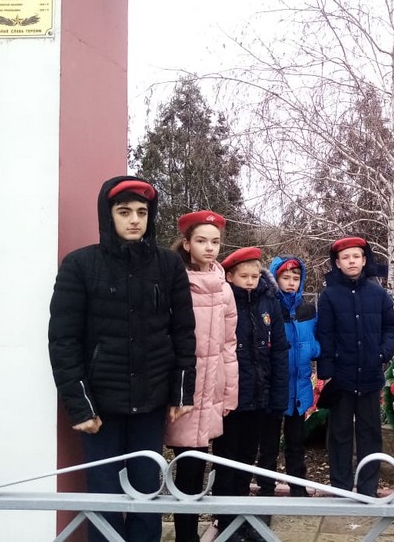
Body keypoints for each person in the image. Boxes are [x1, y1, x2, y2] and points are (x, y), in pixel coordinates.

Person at [48, 176, 196, 542]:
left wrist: (181, 392)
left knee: (146, 493)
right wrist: (80, 406)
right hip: (101, 408)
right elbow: (63, 340)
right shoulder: (80, 265)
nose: (134, 220)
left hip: (150, 402)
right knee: (104, 497)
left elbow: (183, 332)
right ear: (108, 214)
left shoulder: (168, 265)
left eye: (142, 212)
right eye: (124, 211)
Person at [164, 210, 238, 542]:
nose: (209, 248)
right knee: (180, 466)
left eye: (215, 242)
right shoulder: (174, 282)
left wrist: (229, 392)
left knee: (196, 466)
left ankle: (189, 535)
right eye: (201, 241)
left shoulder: (225, 289)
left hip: (211, 388)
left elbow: (229, 344)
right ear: (187, 243)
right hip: (180, 387)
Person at [212, 247, 288, 542]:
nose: (249, 281)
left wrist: (276, 395)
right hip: (231, 398)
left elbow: (278, 350)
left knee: (246, 459)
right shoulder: (223, 300)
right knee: (226, 460)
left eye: (254, 276)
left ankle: (242, 518)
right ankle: (225, 520)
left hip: (259, 395)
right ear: (230, 276)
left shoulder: (269, 302)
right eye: (243, 276)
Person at [316, 236, 394, 496]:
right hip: (341, 378)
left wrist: (382, 353)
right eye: (345, 257)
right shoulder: (329, 295)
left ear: (364, 260)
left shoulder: (378, 294)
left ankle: (367, 489)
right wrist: (326, 373)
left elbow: (392, 326)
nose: (351, 261)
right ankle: (341, 488)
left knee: (370, 434)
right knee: (339, 434)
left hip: (370, 377)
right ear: (337, 263)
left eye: (356, 256)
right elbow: (325, 335)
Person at [268, 255, 321, 497]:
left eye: (296, 278)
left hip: (299, 387)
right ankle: (266, 489)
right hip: (274, 386)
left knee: (296, 442)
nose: (291, 283)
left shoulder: (307, 310)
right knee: (268, 444)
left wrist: (313, 349)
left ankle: (298, 487)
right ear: (275, 279)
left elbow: (316, 339)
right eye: (285, 278)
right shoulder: (270, 307)